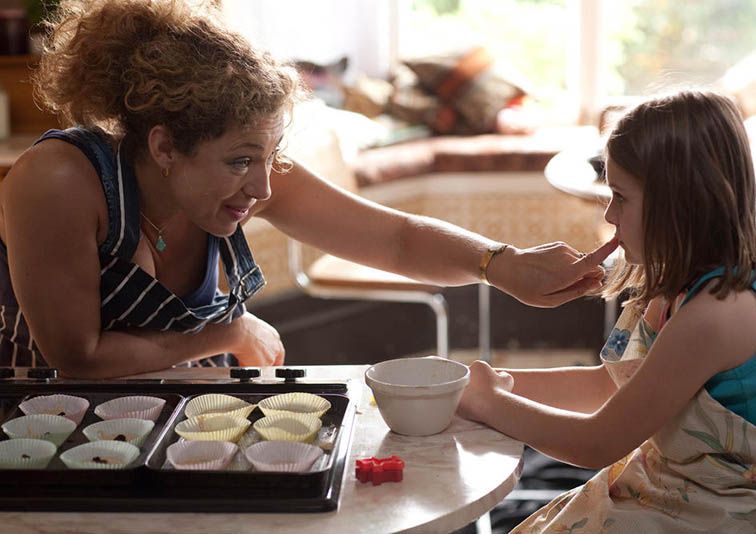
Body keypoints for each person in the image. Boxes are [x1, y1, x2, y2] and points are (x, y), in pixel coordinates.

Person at [0, 0, 614, 378]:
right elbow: (76, 358)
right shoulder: (58, 182)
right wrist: (230, 333)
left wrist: (501, 265)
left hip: (188, 406)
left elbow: (395, 241)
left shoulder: (247, 171)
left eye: (271, 157)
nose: (263, 187)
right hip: (53, 427)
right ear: (164, 148)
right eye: (241, 161)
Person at [457, 90, 756, 533]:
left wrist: (491, 404)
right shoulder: (678, 285)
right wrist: (491, 384)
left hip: (724, 517)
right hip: (675, 491)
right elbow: (610, 384)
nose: (610, 214)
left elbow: (598, 442)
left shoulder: (719, 312)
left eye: (620, 196)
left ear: (680, 202)